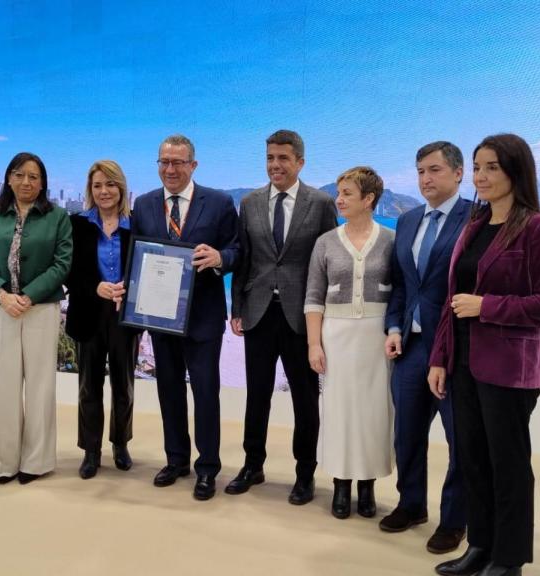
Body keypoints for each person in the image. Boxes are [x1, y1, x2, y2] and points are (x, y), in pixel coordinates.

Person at [429, 134, 540, 576]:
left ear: (515, 171)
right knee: (471, 458)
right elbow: (452, 299)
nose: (481, 176)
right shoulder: (473, 226)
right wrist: (439, 357)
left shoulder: (539, 227)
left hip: (509, 370)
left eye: (491, 167)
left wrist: (487, 306)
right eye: (477, 167)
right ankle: (480, 547)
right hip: (464, 363)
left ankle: (508, 559)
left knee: (507, 466)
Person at [225, 130, 338, 504]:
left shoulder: (320, 203)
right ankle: (252, 465)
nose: (275, 165)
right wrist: (237, 308)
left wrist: (323, 323)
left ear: (300, 162)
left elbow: (329, 263)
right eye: (270, 158)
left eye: (283, 158)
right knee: (256, 396)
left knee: (305, 399)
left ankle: (304, 474)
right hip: (258, 312)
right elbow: (243, 258)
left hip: (301, 316)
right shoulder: (251, 202)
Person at [130, 134, 239, 501]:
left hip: (204, 317)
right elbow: (137, 258)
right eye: (164, 162)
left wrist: (220, 259)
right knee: (169, 390)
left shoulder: (220, 202)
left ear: (193, 165)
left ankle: (207, 468)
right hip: (161, 317)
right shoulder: (143, 205)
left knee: (206, 393)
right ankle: (175, 459)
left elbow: (239, 250)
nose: (170, 169)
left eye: (178, 162)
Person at [382, 142, 471, 553]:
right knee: (407, 433)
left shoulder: (478, 218)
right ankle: (411, 503)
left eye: (434, 170)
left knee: (460, 439)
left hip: (457, 346)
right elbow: (403, 283)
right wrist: (394, 326)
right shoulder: (408, 220)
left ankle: (454, 520)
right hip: (412, 345)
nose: (425, 179)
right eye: (420, 171)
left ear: (458, 173)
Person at [0, 152, 73, 485]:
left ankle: (36, 461)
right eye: (19, 175)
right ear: (8, 179)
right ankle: (2, 461)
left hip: (41, 309)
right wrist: (1, 294)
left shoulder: (58, 217)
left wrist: (29, 295)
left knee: (41, 386)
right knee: (3, 385)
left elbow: (62, 263)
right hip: (2, 308)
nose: (26, 182)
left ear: (42, 182)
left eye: (33, 176)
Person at [304, 166, 395, 519]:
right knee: (338, 411)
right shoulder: (325, 242)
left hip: (376, 336)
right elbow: (313, 296)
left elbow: (400, 291)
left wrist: (395, 333)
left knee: (374, 413)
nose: (338, 199)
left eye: (347, 194)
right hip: (336, 335)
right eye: (339, 192)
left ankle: (367, 484)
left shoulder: (390, 240)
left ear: (369, 199)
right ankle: (341, 484)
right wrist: (314, 344)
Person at [66, 160, 139, 479]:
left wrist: (131, 289)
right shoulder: (75, 224)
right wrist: (94, 285)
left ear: (120, 188)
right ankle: (91, 450)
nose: (104, 191)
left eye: (110, 185)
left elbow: (148, 268)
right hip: (88, 313)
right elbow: (68, 270)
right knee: (88, 387)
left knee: (124, 385)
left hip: (125, 317)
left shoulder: (136, 225)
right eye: (97, 185)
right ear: (90, 190)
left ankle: (120, 444)